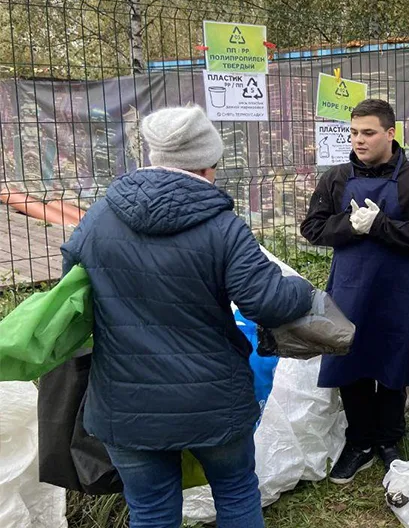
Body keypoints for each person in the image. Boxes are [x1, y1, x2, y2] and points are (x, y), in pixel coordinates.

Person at [54, 105, 315, 527]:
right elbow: (268, 303)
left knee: (151, 510)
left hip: (126, 403)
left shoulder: (100, 216)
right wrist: (302, 288)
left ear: (153, 157)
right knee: (235, 493)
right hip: (212, 401)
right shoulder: (222, 226)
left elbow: (73, 291)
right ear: (209, 164)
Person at [300, 99, 409, 483]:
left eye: (368, 133)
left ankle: (390, 440)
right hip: (350, 290)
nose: (358, 140)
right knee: (351, 361)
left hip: (399, 291)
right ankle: (360, 441)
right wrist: (351, 226)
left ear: (390, 134)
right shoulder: (336, 179)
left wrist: (381, 226)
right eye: (353, 132)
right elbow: (312, 228)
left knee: (395, 360)